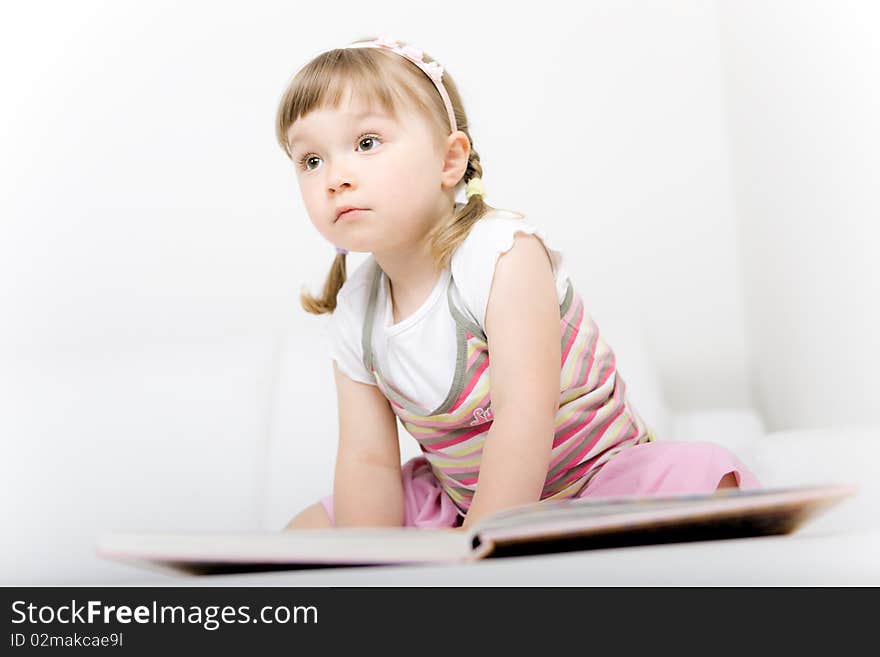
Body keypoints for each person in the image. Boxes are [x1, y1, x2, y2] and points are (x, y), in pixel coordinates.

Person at [276, 35, 761, 532]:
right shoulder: (357, 311)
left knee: (705, 478)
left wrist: (476, 544)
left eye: (366, 143)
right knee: (307, 531)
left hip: (590, 481)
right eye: (311, 160)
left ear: (449, 161)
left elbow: (524, 416)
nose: (335, 177)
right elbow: (367, 462)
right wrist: (368, 558)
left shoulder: (501, 255)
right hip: (467, 497)